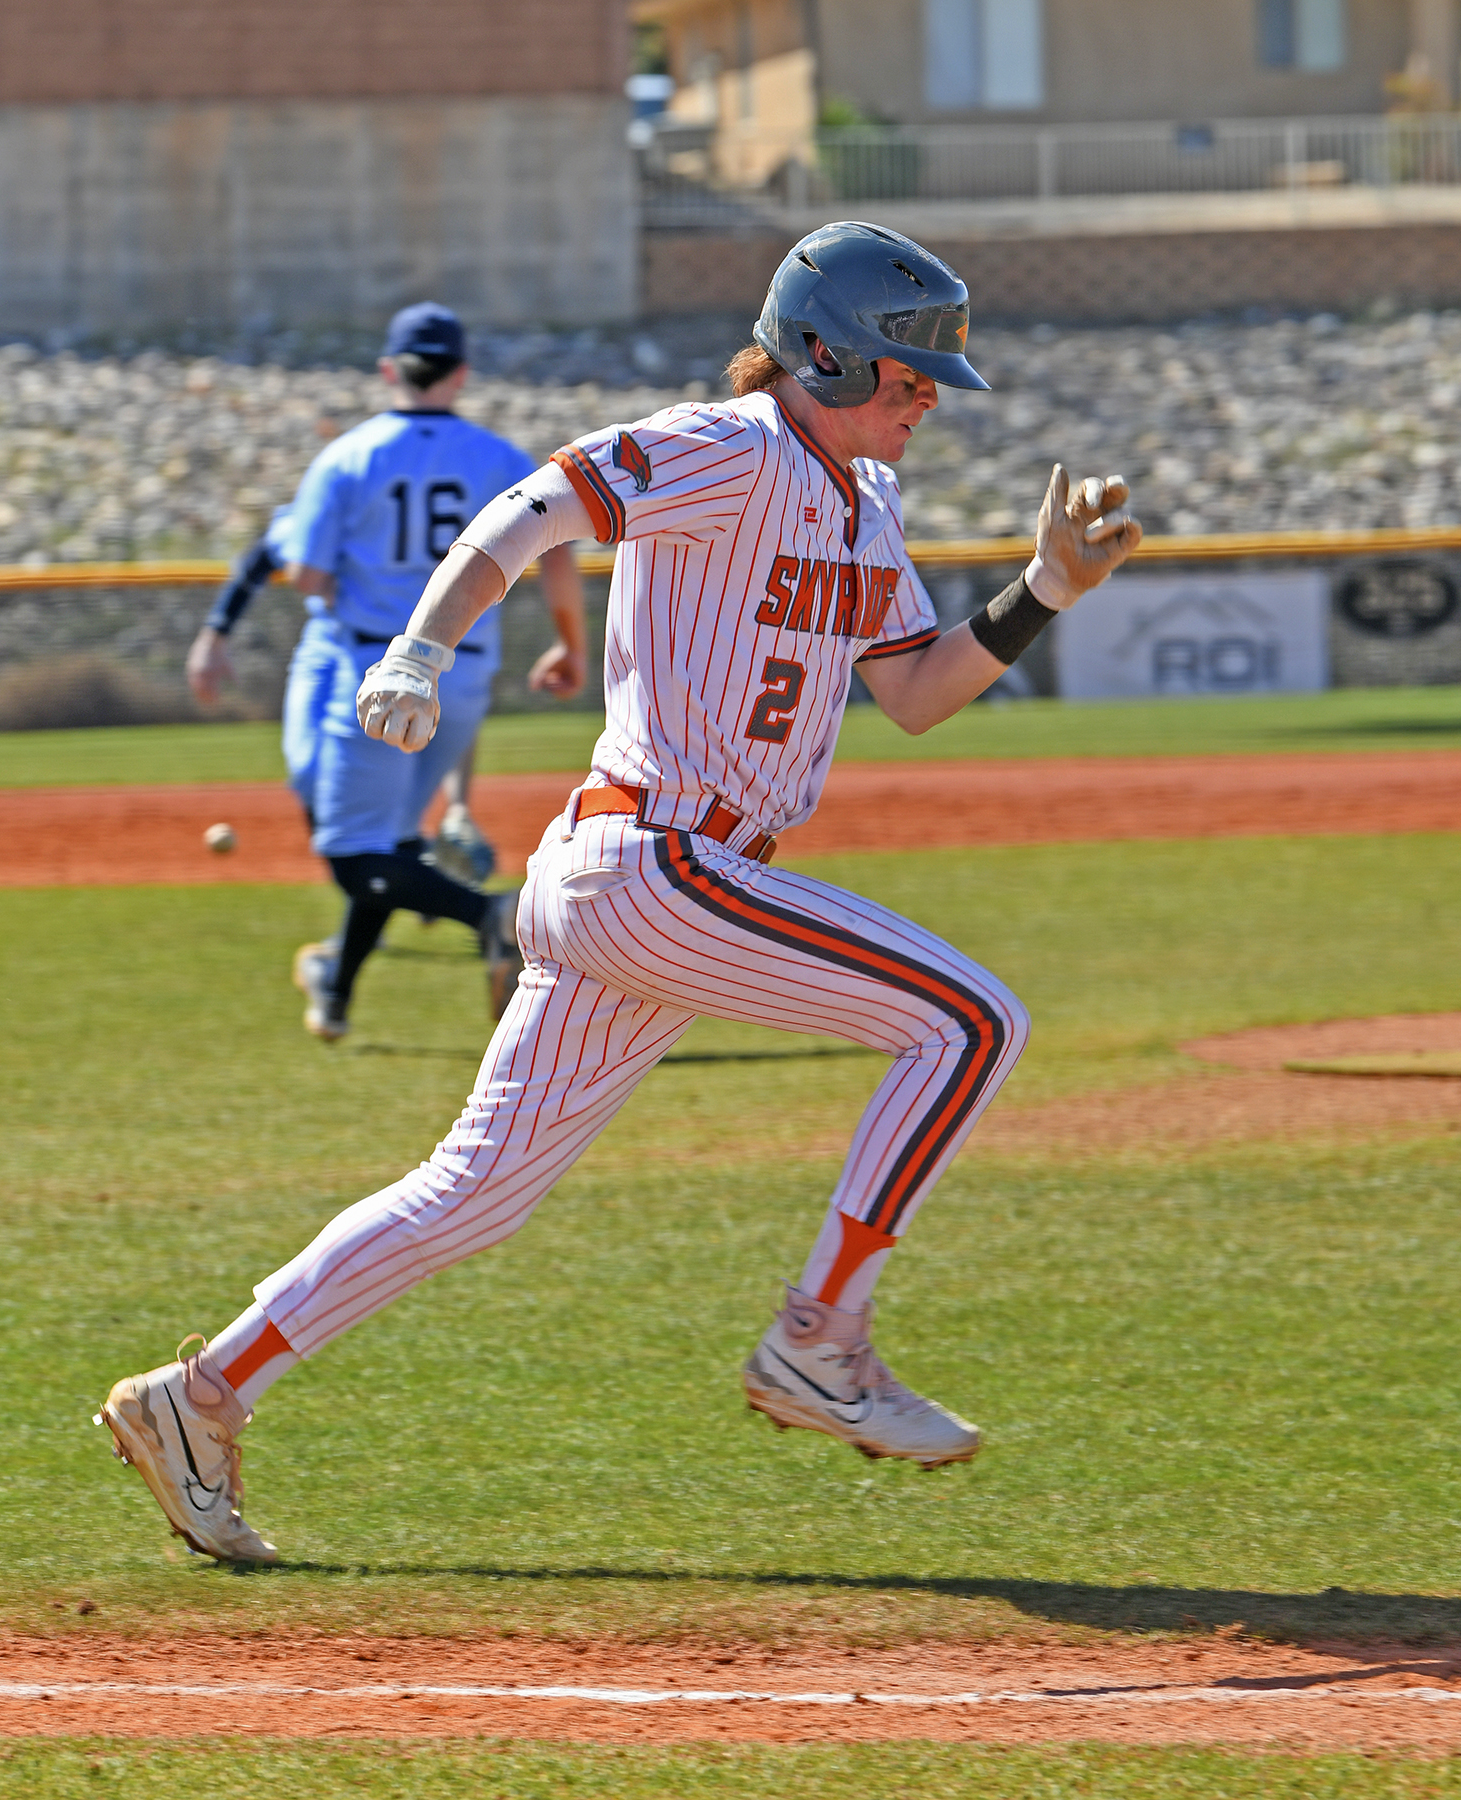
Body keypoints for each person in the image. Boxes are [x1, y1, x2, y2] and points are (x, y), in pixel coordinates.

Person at [95, 223, 1140, 1562]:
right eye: (900, 371)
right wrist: (422, 647)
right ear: (820, 354)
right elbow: (534, 507)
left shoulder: (861, 503)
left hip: (659, 885)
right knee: (967, 1021)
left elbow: (917, 692)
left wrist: (1042, 590)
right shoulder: (733, 442)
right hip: (657, 861)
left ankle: (198, 1397)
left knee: (471, 1193)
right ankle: (818, 1340)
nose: (923, 394)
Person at [192, 303, 587, 1039]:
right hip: (463, 671)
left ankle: (492, 916)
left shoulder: (347, 456)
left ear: (388, 371)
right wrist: (571, 644)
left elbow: (306, 573)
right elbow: (557, 555)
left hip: (372, 666)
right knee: (388, 839)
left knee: (350, 851)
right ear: (461, 373)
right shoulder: (500, 458)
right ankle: (335, 985)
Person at [185, 510, 499, 885]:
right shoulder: (335, 494)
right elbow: (266, 557)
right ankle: (407, 876)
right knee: (306, 771)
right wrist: (214, 635)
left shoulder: (403, 504)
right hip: (331, 641)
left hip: (397, 643)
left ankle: (409, 879)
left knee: (392, 802)